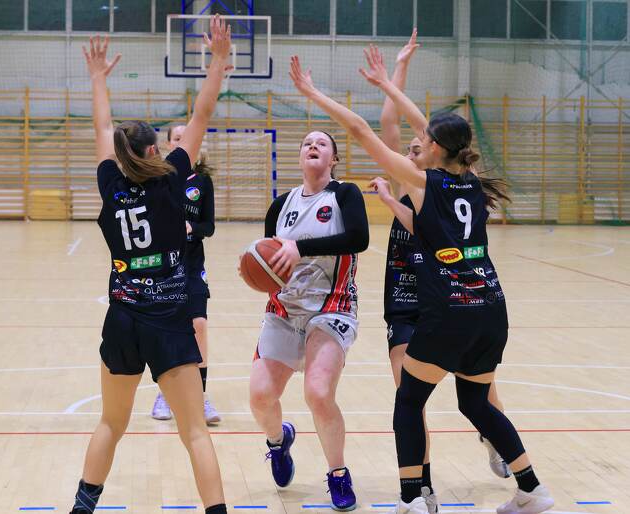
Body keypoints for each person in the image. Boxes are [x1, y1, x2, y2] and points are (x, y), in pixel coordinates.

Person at [289, 48, 554, 514]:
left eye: (425, 138)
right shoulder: (470, 179)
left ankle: (413, 496)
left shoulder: (423, 181)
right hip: (491, 309)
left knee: (409, 401)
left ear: (435, 148)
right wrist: (388, 86)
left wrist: (313, 93)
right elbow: (426, 129)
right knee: (477, 404)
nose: (420, 139)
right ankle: (532, 488)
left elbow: (361, 130)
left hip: (449, 312)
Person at [68, 17, 231, 514]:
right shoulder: (173, 177)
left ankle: (82, 507)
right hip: (168, 320)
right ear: (156, 150)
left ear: (119, 159)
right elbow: (202, 112)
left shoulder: (110, 186)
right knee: (195, 432)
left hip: (123, 319)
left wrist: (98, 79)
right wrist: (218, 61)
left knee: (110, 423)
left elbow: (102, 128)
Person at [369, 31, 511, 514]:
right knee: (408, 395)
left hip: (451, 295)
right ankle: (421, 486)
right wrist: (397, 70)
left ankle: (496, 440)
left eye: (421, 145)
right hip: (407, 295)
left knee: (482, 390)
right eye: (408, 147)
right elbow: (392, 122)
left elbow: (415, 123)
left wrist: (395, 75)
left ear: (434, 152)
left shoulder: (443, 183)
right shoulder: (405, 180)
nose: (413, 148)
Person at [247, 130, 369, 511]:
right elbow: (271, 262)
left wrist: (300, 248)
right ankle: (278, 441)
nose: (313, 146)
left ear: (333, 159)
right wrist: (256, 270)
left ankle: (338, 474)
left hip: (332, 307)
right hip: (284, 311)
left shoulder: (344, 195)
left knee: (318, 393)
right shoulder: (280, 206)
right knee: (260, 396)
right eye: (306, 143)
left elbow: (359, 239)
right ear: (300, 157)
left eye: (322, 143)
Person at [151, 124, 220, 425]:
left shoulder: (203, 181)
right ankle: (165, 394)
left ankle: (200, 397)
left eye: (188, 138)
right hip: (163, 265)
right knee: (167, 330)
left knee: (199, 325)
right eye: (178, 138)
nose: (184, 142)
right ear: (168, 144)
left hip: (192, 263)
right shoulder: (157, 178)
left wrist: (192, 228)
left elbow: (209, 226)